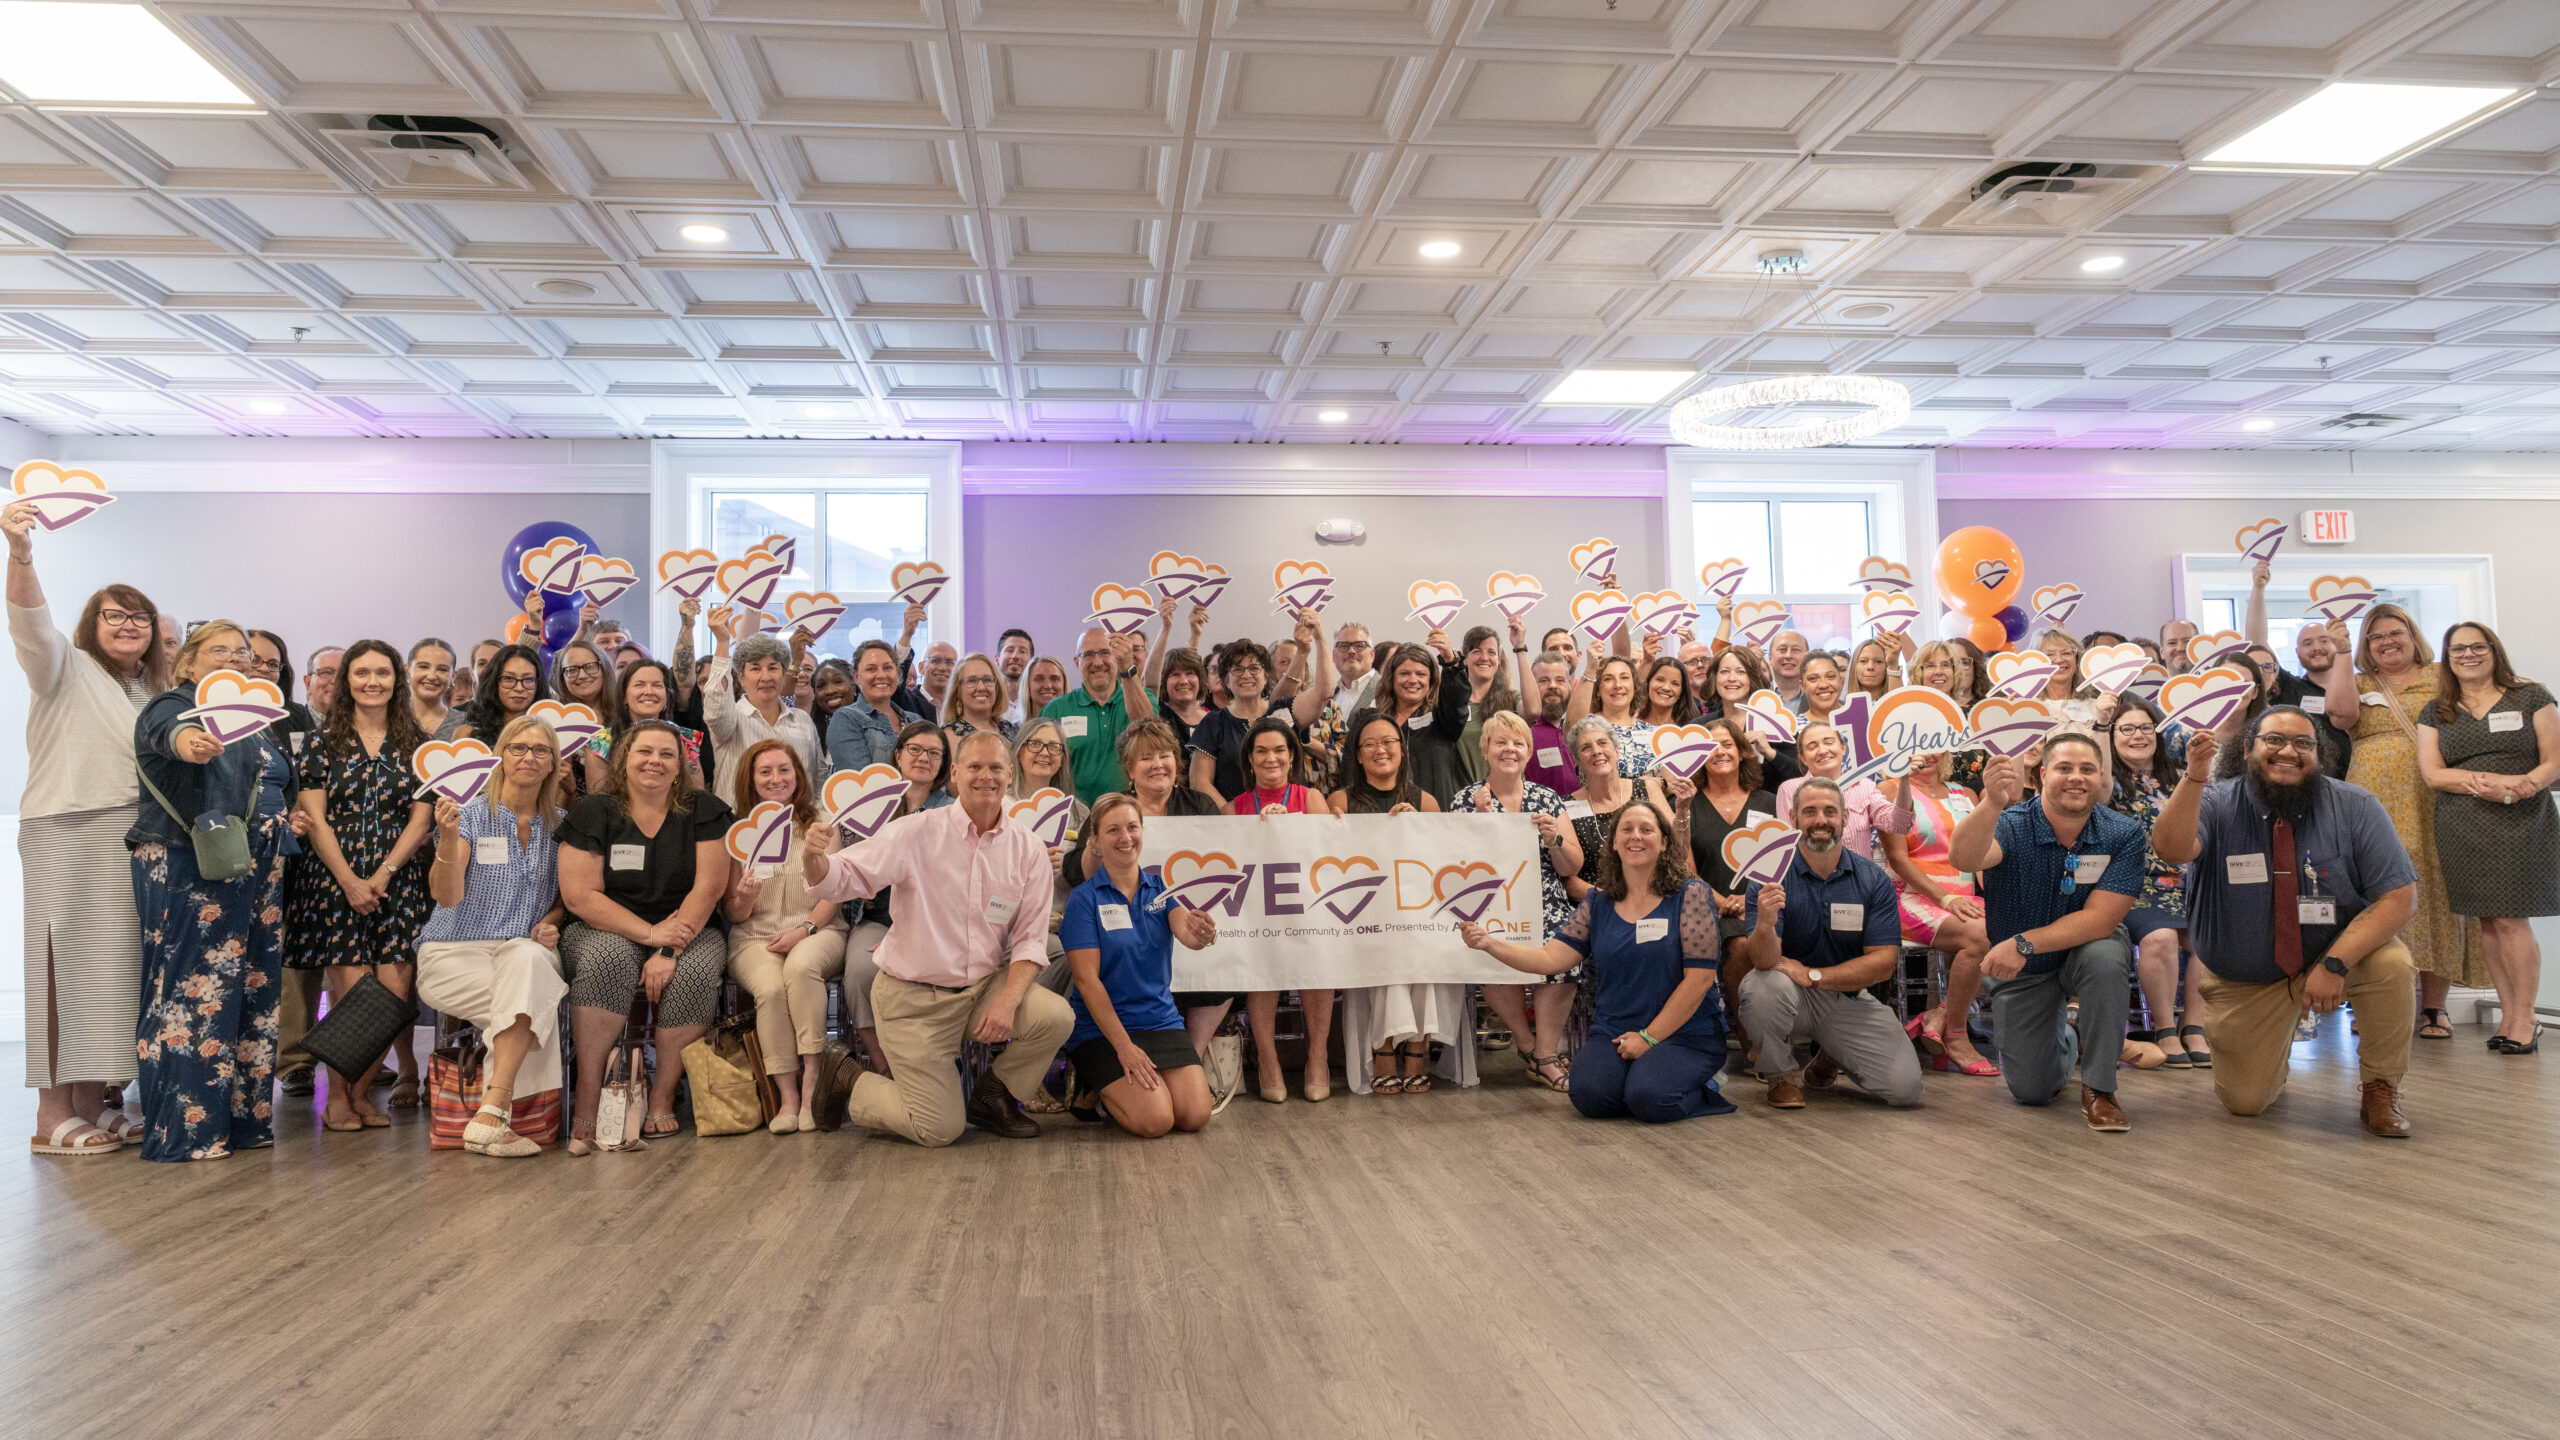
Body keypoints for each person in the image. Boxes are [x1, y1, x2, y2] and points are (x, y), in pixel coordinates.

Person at [800, 729, 1076, 1145]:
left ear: (1009, 775)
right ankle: (849, 1077)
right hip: (914, 1000)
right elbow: (845, 877)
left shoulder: (1029, 848)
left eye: (995, 767)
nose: (986, 776)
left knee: (1055, 1017)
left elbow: (1030, 940)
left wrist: (1007, 1001)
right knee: (939, 1130)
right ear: (955, 773)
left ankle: (992, 1098)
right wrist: (813, 858)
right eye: (975, 766)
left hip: (980, 988)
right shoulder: (916, 831)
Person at [2153, 715, 2418, 1134]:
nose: (2289, 752)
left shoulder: (2356, 805)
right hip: (2246, 977)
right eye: (2274, 739)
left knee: (2391, 964)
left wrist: (2334, 965)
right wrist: (2195, 775)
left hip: (2333, 955)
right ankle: (2271, 1058)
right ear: (2247, 749)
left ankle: (2380, 1088)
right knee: (2246, 1101)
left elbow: (2399, 898)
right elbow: (2171, 849)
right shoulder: (2215, 800)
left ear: (2319, 754)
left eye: (2303, 743)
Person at [7, 500, 165, 1155]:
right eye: (114, 615)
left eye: (139, 617)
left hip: (127, 836)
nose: (128, 625)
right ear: (90, 625)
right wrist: (21, 555)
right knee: (60, 968)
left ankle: (92, 1104)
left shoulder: (153, 693)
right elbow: (30, 624)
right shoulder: (63, 666)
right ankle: (51, 1115)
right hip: (66, 829)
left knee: (111, 974)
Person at [1458, 797, 1733, 1123]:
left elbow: (1700, 980)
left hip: (1685, 1035)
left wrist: (1649, 1038)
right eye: (1626, 829)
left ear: (1664, 842)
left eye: (1647, 830)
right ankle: (1639, 1080)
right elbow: (1550, 958)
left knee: (1651, 1100)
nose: (1636, 836)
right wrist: (1490, 944)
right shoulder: (1599, 902)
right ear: (1614, 842)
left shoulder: (1691, 894)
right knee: (1590, 1097)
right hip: (1616, 1031)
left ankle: (1701, 1085)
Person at [131, 621, 294, 1161]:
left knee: (254, 994)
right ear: (190, 660)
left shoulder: (253, 717)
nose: (233, 658)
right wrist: (190, 742)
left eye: (242, 652)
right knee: (192, 993)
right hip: (189, 862)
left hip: (257, 865)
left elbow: (269, 783)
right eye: (218, 649)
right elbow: (170, 736)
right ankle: (187, 1133)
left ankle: (244, 1122)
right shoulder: (175, 705)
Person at [1948, 733, 2147, 1132]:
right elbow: (1964, 858)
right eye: (2064, 768)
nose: (2076, 778)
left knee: (2106, 955)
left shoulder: (2123, 832)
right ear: (2041, 775)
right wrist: (1991, 803)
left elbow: (2100, 920)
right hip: (2024, 971)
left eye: (2087, 769)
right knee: (2033, 1091)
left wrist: (2025, 943)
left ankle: (2100, 1089)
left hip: (2074, 951)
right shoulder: (2010, 824)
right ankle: (2071, 1030)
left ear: (2101, 776)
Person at [557, 721, 734, 1150]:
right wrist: (650, 933)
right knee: (607, 961)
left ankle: (661, 1096)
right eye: (644, 752)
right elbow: (580, 896)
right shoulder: (595, 810)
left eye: (666, 754)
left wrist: (668, 948)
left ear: (680, 764)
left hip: (688, 928)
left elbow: (709, 888)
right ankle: (589, 1097)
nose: (655, 761)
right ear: (624, 760)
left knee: (695, 972)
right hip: (603, 927)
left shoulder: (705, 809)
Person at [287, 639, 436, 1129]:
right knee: (354, 1000)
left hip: (399, 879)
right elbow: (315, 817)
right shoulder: (321, 742)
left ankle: (359, 1095)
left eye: (383, 673)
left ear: (398, 679)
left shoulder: (418, 744)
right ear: (346, 680)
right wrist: (350, 880)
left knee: (391, 1000)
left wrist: (383, 873)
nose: (373, 682)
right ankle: (337, 1099)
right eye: (362, 673)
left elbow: (421, 820)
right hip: (335, 880)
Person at [2321, 603, 2481, 1040]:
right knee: (2374, 894)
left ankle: (2433, 1006)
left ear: (2413, 636)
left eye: (2396, 633)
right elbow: (2340, 716)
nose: (2387, 642)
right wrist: (2341, 653)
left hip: (2435, 796)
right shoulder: (2357, 681)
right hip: (2373, 798)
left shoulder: (2442, 676)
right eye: (2375, 637)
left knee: (2435, 892)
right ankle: (2373, 1002)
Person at [415, 715, 570, 1159]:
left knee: (529, 963)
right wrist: (447, 839)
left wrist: (551, 919)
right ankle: (509, 1116)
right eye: (518, 747)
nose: (528, 757)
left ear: (553, 764)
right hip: (454, 952)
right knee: (533, 1004)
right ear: (500, 757)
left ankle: (492, 1112)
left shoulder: (562, 826)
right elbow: (446, 897)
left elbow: (566, 897)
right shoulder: (469, 815)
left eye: (540, 750)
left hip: (522, 951)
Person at [1735, 779, 1924, 1109]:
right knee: (1761, 987)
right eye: (1810, 812)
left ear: (1845, 818)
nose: (1820, 820)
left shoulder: (1872, 879)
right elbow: (1764, 962)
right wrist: (1764, 921)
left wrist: (1813, 975)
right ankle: (1780, 1075)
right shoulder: (1769, 875)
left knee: (1905, 1089)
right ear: (1793, 818)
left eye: (1829, 811)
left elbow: (1883, 963)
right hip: (1786, 992)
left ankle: (1830, 1054)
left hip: (1844, 995)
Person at [2416, 622, 2557, 1053]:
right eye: (2458, 649)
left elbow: (2554, 760)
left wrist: (2518, 788)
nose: (2468, 655)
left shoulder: (2531, 696)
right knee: (2488, 922)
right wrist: (2485, 783)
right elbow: (2433, 774)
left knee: (2512, 919)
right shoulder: (2436, 711)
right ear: (2447, 657)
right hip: (2463, 822)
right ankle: (2509, 1016)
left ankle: (2525, 1018)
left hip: (2522, 817)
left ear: (2494, 651)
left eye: (2478, 646)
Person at [1058, 793, 1220, 1137]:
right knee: (1156, 1121)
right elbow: (1086, 981)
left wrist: (1203, 933)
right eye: (1113, 830)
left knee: (1195, 1116)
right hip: (1103, 1030)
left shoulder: (1159, 889)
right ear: (1096, 841)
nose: (1126, 837)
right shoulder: (1084, 900)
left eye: (1132, 827)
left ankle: (1131, 1088)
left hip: (1159, 1021)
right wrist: (1124, 1048)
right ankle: (1093, 1086)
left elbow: (1187, 934)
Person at [1451, 711, 1583, 1092]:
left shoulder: (1546, 798)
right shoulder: (1465, 800)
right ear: (1485, 750)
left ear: (1528, 752)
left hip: (1545, 899)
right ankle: (1530, 1047)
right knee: (1486, 947)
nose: (1510, 749)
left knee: (1566, 948)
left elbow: (1571, 866)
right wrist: (1480, 822)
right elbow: (1456, 866)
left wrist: (1555, 840)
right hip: (1489, 902)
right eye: (1500, 742)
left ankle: (1544, 1052)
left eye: (1518, 743)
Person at [722, 739, 850, 1134]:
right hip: (754, 937)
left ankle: (812, 1079)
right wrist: (745, 897)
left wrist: (804, 930)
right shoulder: (739, 833)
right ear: (751, 779)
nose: (776, 779)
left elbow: (835, 893)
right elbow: (734, 913)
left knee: (800, 968)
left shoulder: (821, 824)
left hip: (818, 928)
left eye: (784, 770)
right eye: (765, 772)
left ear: (798, 776)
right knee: (771, 988)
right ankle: (786, 1094)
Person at [1328, 710, 1449, 1095]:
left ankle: (1416, 1052)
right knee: (1388, 952)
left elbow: (1442, 864)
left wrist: (1418, 829)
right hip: (1364, 914)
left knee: (1420, 952)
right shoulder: (1341, 800)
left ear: (1402, 749)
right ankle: (1382, 1050)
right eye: (1370, 744)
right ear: (1358, 755)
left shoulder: (1425, 801)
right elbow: (1331, 864)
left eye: (1388, 742)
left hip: (1418, 913)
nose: (1380, 750)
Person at [1226, 715, 1335, 1100]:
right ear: (1249, 759)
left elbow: (1330, 856)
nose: (1270, 758)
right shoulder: (1233, 808)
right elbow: (1228, 865)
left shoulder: (1312, 798)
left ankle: (1318, 1056)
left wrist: (1293, 828)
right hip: (1257, 910)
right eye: (1261, 751)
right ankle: (1268, 1060)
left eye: (1279, 750)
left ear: (1292, 756)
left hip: (1309, 905)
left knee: (1318, 967)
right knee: (1263, 971)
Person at [2102, 693, 2206, 1070]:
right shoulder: (2106, 782)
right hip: (2132, 885)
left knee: (2211, 937)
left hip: (2184, 883)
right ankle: (2164, 1029)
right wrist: (2100, 724)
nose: (2138, 735)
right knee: (2160, 937)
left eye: (2146, 728)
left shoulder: (2179, 779)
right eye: (2126, 729)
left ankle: (2194, 1026)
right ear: (2112, 736)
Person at [1883, 752, 1996, 1077]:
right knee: (1980, 936)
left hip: (1966, 900)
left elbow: (1982, 852)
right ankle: (1957, 1035)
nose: (1927, 754)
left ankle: (1940, 1016)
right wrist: (1946, 899)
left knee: (2012, 926)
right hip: (1911, 898)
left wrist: (1998, 900)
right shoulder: (1890, 789)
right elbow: (1898, 859)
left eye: (1932, 744)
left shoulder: (1966, 794)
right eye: (1916, 745)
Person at [1189, 615, 1330, 807]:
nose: (1246, 675)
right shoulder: (1213, 723)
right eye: (1237, 670)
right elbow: (1200, 783)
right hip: (1238, 821)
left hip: (1292, 817)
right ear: (1226, 680)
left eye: (1254, 668)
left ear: (1265, 677)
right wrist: (1233, 816)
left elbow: (1324, 692)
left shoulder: (1286, 710)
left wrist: (1318, 639)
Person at [2240, 561, 2353, 777]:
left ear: (2336, 643)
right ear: (2297, 652)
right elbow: (2257, 642)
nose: (2316, 648)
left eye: (2324, 640)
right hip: (2303, 780)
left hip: (2353, 779)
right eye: (2307, 643)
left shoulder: (2358, 686)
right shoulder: (2290, 687)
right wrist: (2258, 588)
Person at [702, 611, 820, 800]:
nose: (766, 677)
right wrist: (723, 642)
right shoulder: (731, 718)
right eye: (755, 669)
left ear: (784, 675)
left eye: (773, 668)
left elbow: (817, 780)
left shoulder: (802, 720)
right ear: (741, 678)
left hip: (797, 818)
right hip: (740, 818)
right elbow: (716, 704)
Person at [1563, 714, 1675, 904]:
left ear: (1616, 750)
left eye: (1602, 743)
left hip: (1656, 896)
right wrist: (1615, 901)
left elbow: (1676, 847)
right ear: (1577, 761)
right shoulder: (1566, 806)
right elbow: (1569, 880)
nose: (1596, 751)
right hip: (1599, 904)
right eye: (1586, 747)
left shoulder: (1648, 790)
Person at [1774, 720, 1911, 863]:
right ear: (1803, 758)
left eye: (1828, 742)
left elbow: (1900, 824)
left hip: (1860, 876)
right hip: (1811, 876)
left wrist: (1905, 778)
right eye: (1812, 747)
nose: (1822, 751)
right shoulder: (1790, 790)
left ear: (1843, 748)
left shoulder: (1864, 786)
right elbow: (1789, 848)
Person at [1043, 628, 1156, 801]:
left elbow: (1149, 730)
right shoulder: (1056, 709)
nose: (1097, 662)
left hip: (1132, 812)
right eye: (1088, 655)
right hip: (1074, 815)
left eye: (1105, 652)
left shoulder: (1144, 698)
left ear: (1117, 656)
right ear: (1076, 662)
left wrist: (1127, 668)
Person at [1367, 641, 1470, 808]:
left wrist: (1450, 660)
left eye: (1421, 674)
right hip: (1383, 815)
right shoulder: (1373, 721)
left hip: (1433, 816)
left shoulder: (1443, 718)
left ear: (1431, 679)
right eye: (1404, 673)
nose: (1413, 680)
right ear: (1392, 678)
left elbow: (1457, 700)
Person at [586, 658, 703, 795]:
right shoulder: (600, 742)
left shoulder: (685, 739)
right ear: (624, 697)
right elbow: (598, 799)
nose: (649, 692)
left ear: (666, 695)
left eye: (657, 685)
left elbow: (697, 796)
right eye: (639, 685)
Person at [827, 637, 925, 773]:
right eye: (871, 669)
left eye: (888, 667)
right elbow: (861, 780)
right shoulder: (846, 718)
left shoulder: (916, 721)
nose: (881, 675)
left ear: (897, 673)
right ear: (856, 676)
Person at [1569, 653, 1655, 780]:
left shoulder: (1652, 731)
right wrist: (1591, 668)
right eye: (1608, 679)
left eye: (1624, 678)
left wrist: (1662, 782)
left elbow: (1669, 781)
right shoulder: (1586, 727)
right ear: (1598, 690)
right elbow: (1571, 725)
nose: (1618, 685)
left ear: (1634, 686)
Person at [447, 642, 548, 742]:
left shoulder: (550, 729)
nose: (519, 688)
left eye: (529, 679)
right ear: (494, 682)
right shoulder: (468, 734)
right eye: (508, 678)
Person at [1523, 644, 1581, 796]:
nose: (1553, 686)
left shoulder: (1584, 727)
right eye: (1544, 681)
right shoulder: (1523, 734)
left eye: (1560, 680)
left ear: (1569, 685)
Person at [942, 652, 1015, 743]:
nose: (981, 687)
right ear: (957, 691)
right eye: (972, 680)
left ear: (997, 687)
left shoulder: (1010, 729)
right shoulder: (949, 735)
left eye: (987, 680)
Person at [407, 638, 457, 737]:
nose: (432, 676)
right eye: (423, 667)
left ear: (453, 676)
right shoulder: (387, 719)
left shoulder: (465, 723)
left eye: (442, 669)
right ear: (407, 671)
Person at [1634, 655, 1694, 728]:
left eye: (1675, 684)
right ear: (1648, 682)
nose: (1666, 688)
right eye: (1660, 680)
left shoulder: (1690, 729)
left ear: (1682, 692)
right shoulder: (1630, 724)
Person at [997, 628, 1036, 725]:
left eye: (1022, 651)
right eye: (1010, 651)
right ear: (997, 659)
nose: (1015, 656)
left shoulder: (1038, 700)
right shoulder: (986, 699)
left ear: (1032, 662)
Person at [1768, 630, 1811, 711]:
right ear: (1770, 657)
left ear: (1807, 658)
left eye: (1796, 650)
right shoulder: (1754, 696)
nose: (1788, 655)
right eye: (1782, 649)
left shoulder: (1821, 698)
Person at [1021, 654, 1071, 719]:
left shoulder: (1079, 725)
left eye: (1054, 679)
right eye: (1039, 679)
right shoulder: (1014, 726)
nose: (1048, 686)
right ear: (1027, 686)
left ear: (1064, 686)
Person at [304, 645, 345, 716]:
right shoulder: (287, 720)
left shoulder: (363, 721)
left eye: (344, 673)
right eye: (326, 673)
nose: (336, 681)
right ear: (308, 683)